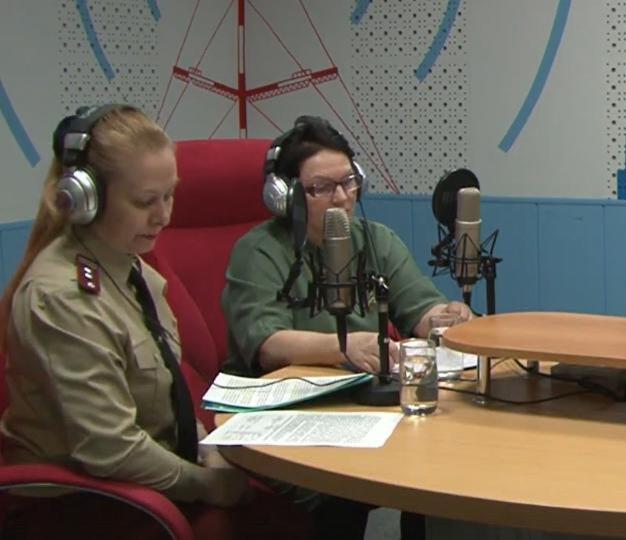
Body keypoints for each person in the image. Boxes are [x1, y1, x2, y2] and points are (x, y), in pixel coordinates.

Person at [0, 105, 308, 539]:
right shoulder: (62, 298)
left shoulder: (132, 269)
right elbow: (109, 449)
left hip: (148, 474)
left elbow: (168, 394)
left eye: (169, 195)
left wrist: (207, 451)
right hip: (85, 500)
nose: (164, 215)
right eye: (146, 201)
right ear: (87, 200)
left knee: (299, 508)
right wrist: (206, 484)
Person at [222, 115, 472, 377]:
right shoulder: (259, 252)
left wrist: (446, 318)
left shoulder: (376, 240)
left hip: (360, 389)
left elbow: (419, 308)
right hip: (284, 392)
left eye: (348, 182)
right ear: (287, 195)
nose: (341, 198)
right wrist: (343, 348)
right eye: (322, 187)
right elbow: (268, 346)